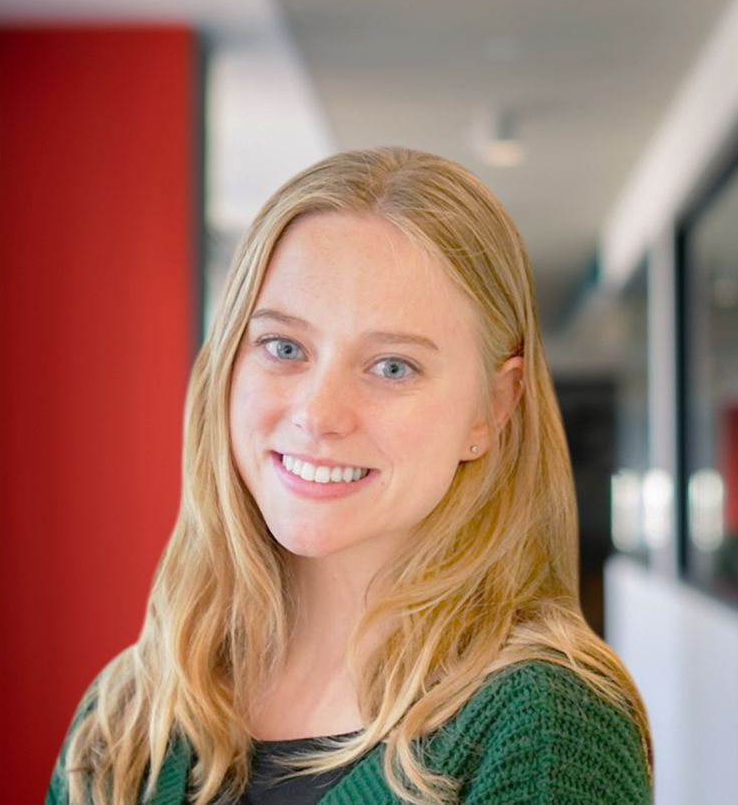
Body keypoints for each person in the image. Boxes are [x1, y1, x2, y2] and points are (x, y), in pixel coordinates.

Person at [45, 147, 652, 805]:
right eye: (283, 347)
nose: (318, 414)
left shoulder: (546, 728)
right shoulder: (127, 713)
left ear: (492, 408)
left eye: (391, 366)